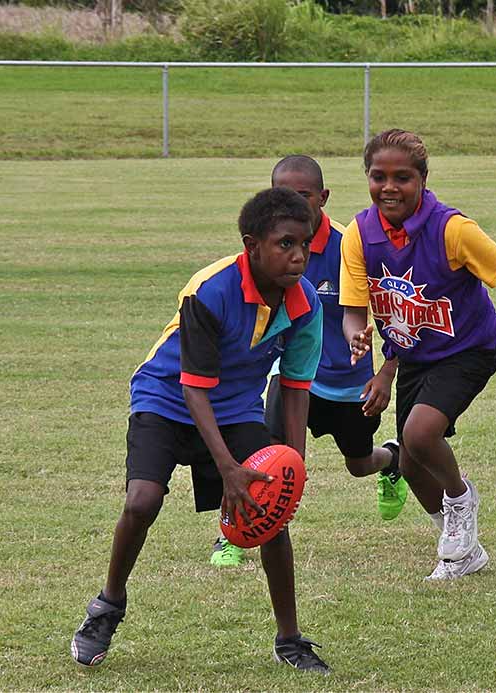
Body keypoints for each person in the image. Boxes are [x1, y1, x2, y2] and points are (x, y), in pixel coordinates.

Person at [71, 188, 331, 674]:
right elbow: (194, 389)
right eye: (285, 244)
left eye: (305, 245)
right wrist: (228, 468)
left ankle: (290, 639)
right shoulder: (209, 290)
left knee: (270, 508)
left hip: (234, 410)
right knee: (142, 500)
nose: (298, 256)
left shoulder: (305, 305)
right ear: (252, 245)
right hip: (167, 398)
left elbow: (295, 389)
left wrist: (293, 465)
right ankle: (107, 606)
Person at [339, 129, 496, 580]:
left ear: (423, 179)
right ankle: (462, 550)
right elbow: (355, 312)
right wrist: (359, 339)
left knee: (421, 433)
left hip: (469, 349)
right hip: (415, 355)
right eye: (378, 176)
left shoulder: (452, 229)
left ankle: (461, 499)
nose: (389, 187)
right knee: (408, 461)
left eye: (402, 177)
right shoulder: (359, 235)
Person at [209, 155, 407, 568]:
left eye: (300, 197)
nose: (289, 207)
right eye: (280, 197)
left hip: (350, 383)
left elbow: (392, 311)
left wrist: (382, 366)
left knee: (358, 463)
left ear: (323, 197)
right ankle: (235, 531)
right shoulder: (267, 247)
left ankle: (393, 459)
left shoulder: (349, 246)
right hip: (293, 377)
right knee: (264, 454)